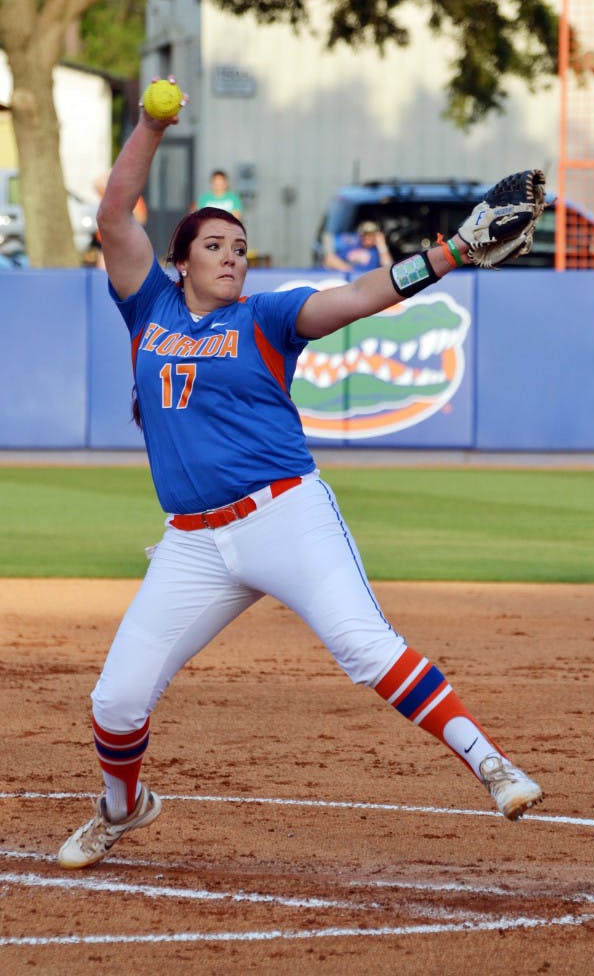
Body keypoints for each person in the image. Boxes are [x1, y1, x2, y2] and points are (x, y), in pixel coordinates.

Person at [58, 81, 543, 869]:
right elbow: (114, 214)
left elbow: (357, 296)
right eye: (214, 245)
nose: (232, 256)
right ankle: (122, 808)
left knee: (364, 647)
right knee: (114, 701)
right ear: (177, 263)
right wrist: (149, 124)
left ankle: (492, 764)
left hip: (283, 515)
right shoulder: (147, 309)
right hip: (190, 544)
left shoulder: (268, 315)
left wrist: (450, 252)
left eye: (241, 247)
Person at [93, 171, 148, 270]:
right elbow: (97, 183)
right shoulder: (108, 194)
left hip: (122, 241)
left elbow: (141, 219)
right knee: (103, 270)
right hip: (106, 240)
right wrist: (113, 172)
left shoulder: (134, 198)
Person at [323, 220, 392, 272]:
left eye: (370, 235)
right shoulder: (353, 244)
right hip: (343, 277)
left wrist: (381, 245)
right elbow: (329, 259)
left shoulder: (377, 252)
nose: (366, 237)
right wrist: (349, 270)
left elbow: (388, 267)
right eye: (364, 234)